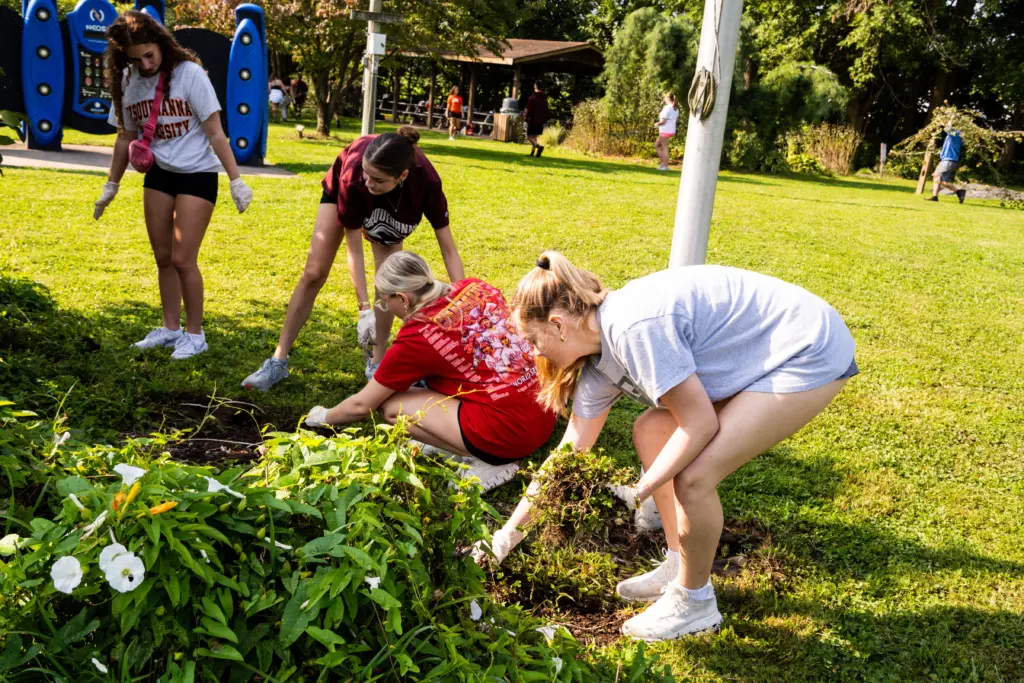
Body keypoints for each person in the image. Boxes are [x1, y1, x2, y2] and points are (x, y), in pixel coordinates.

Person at [475, 252, 858, 642]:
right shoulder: (598, 358)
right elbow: (569, 453)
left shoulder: (633, 329)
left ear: (557, 325)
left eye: (533, 340)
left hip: (807, 347)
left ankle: (695, 604)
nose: (534, 352)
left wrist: (638, 493)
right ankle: (679, 563)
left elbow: (699, 424)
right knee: (651, 430)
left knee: (693, 478)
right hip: (767, 348)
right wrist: (505, 537)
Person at [304, 252, 556, 491]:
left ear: (402, 298)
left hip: (511, 435)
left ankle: (491, 461)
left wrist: (322, 416)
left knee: (391, 406)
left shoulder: (418, 335)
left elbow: (362, 405)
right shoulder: (475, 286)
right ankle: (460, 443)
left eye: (385, 301)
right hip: (544, 411)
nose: (386, 307)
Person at [242, 126, 464, 391]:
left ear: (402, 176)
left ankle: (377, 363)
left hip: (396, 207)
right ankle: (278, 361)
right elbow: (354, 247)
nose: (369, 183)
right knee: (314, 271)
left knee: (389, 286)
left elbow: (448, 249)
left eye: (377, 180)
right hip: (342, 191)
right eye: (367, 175)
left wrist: (463, 302)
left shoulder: (426, 182)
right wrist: (363, 309)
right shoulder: (355, 177)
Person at [93, 10, 253, 360]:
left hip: (197, 173)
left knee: (183, 258)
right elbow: (125, 138)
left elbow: (215, 131)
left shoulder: (190, 75)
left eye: (150, 54)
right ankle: (170, 329)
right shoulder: (128, 81)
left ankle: (195, 335)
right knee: (163, 257)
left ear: (161, 43)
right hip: (159, 174)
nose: (146, 64)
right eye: (136, 59)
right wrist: (112, 185)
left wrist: (236, 180)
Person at [929, 118, 966, 203]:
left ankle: (959, 192)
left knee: (940, 180)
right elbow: (948, 128)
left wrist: (950, 119)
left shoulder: (955, 135)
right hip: (945, 160)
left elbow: (948, 128)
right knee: (936, 176)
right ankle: (934, 197)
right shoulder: (954, 135)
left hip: (948, 160)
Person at [524, 81, 549, 158]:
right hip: (540, 120)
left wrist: (526, 117)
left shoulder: (533, 97)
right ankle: (533, 152)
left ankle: (539, 147)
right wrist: (544, 119)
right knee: (534, 137)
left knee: (529, 137)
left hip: (532, 119)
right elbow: (546, 110)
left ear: (535, 86)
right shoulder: (544, 98)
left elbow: (529, 109)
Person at [655, 93, 679, 171]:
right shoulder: (675, 108)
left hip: (665, 130)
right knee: (657, 145)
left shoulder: (667, 108)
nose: (664, 99)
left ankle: (665, 166)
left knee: (664, 148)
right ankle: (662, 164)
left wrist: (657, 124)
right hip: (670, 130)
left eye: (665, 98)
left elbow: (663, 121)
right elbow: (676, 120)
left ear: (668, 99)